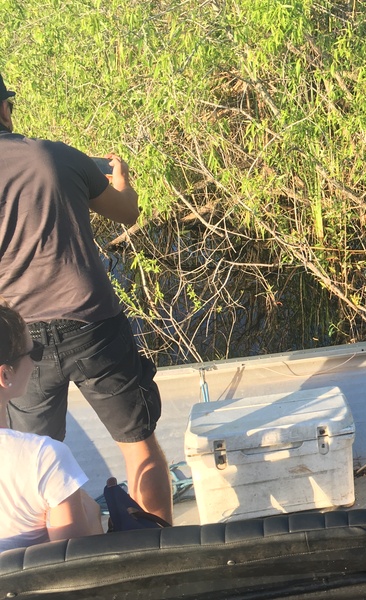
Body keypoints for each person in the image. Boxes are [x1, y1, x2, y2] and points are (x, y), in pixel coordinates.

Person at [0, 73, 173, 524]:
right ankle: (162, 561)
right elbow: (127, 211)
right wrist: (121, 179)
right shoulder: (56, 156)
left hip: (19, 345)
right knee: (141, 449)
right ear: (5, 109)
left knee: (37, 468)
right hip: (93, 325)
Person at [0, 303, 103, 551]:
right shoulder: (44, 457)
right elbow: (72, 567)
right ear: (5, 376)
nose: (36, 363)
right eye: (34, 352)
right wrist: (92, 514)